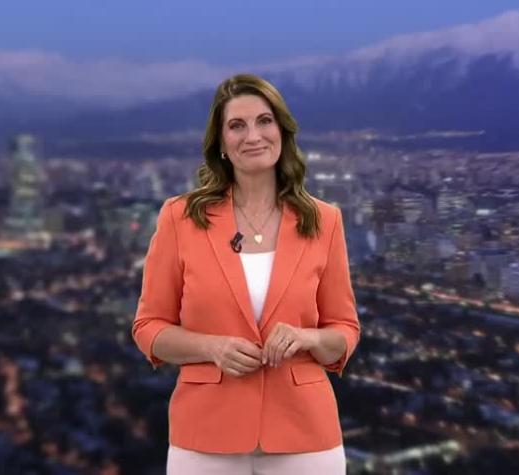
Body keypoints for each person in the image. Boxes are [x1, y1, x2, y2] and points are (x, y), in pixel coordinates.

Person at [132, 73, 360, 475]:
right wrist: (212, 348)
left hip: (305, 433)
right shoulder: (180, 218)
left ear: (282, 131)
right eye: (237, 125)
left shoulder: (325, 220)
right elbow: (149, 327)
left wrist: (308, 337)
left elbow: (344, 330)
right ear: (221, 143)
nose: (253, 135)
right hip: (205, 434)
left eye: (264, 121)